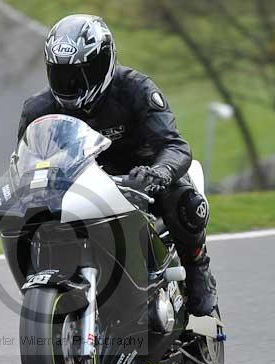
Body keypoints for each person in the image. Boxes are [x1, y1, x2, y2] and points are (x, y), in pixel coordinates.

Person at [17, 14, 217, 316]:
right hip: (78, 187)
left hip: (140, 179)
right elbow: (24, 162)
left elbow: (174, 145)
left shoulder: (136, 90)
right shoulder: (38, 109)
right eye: (63, 74)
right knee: (31, 224)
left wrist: (158, 173)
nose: (72, 84)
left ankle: (197, 264)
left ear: (105, 62)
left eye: (84, 73)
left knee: (184, 200)